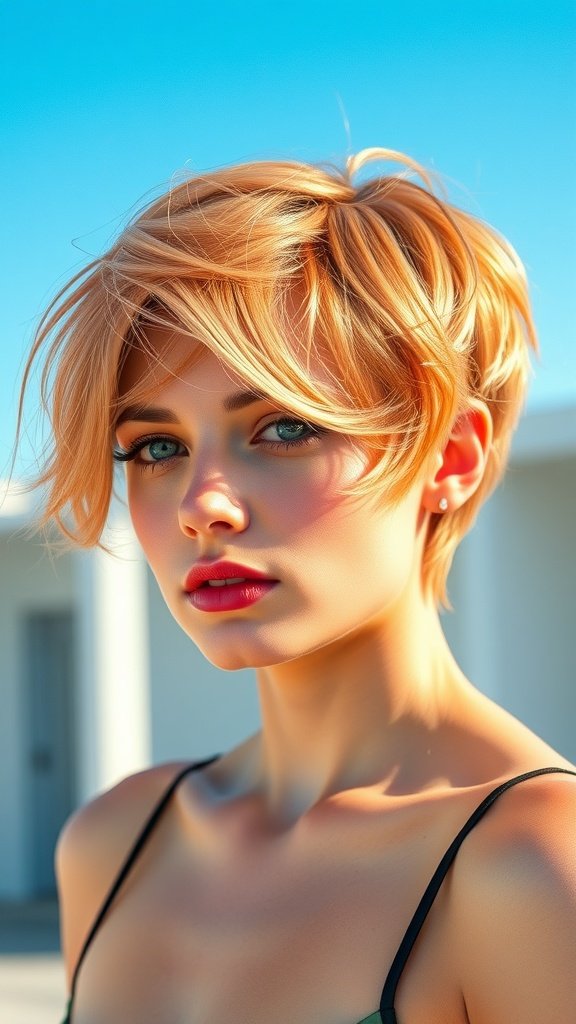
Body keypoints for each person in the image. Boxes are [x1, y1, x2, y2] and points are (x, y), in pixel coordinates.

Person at [18, 148, 576, 1024]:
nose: (203, 505)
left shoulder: (538, 868)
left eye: (282, 427)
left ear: (452, 459)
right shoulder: (115, 840)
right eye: (157, 447)